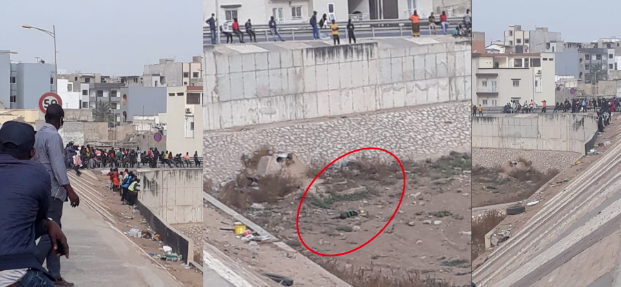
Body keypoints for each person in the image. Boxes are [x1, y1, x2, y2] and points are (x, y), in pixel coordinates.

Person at [0, 121, 71, 287]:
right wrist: (50, 223)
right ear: (32, 152)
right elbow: (36, 219)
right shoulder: (37, 173)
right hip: (12, 270)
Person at [33, 104, 78, 286]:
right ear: (60, 119)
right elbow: (58, 168)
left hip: (38, 189)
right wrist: (70, 191)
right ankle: (31, 265)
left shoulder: (36, 136)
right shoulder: (53, 137)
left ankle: (55, 276)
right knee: (50, 232)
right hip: (52, 191)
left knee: (54, 230)